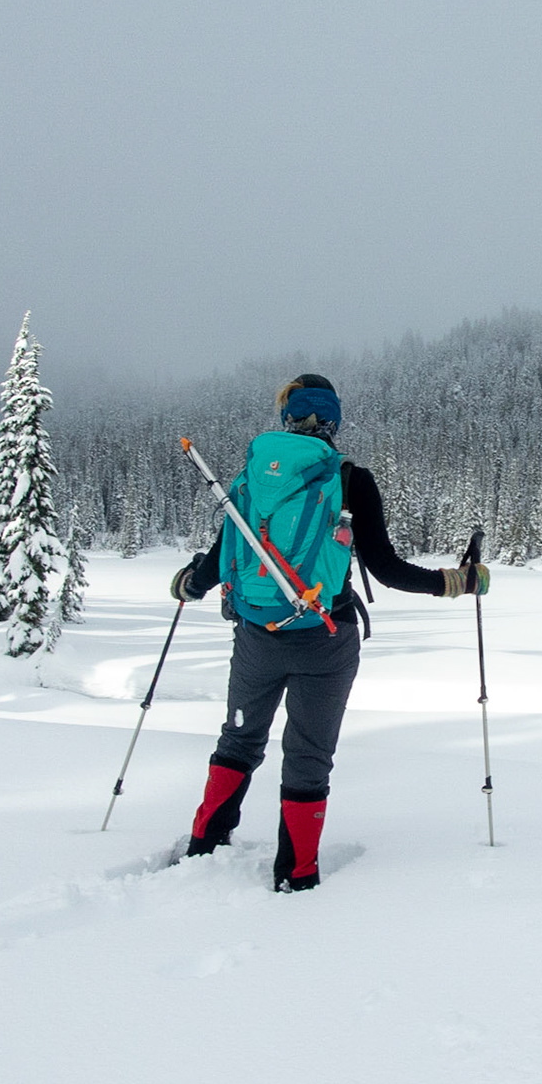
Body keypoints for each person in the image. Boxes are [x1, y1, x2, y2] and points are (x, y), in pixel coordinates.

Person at [171, 373, 490, 891]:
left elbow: (229, 547)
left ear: (288, 417)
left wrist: (192, 584)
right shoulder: (349, 479)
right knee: (308, 756)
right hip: (325, 636)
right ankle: (296, 875)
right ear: (334, 420)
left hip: (256, 634)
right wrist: (457, 581)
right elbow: (385, 569)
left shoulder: (253, 473)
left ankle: (204, 844)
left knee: (238, 739)